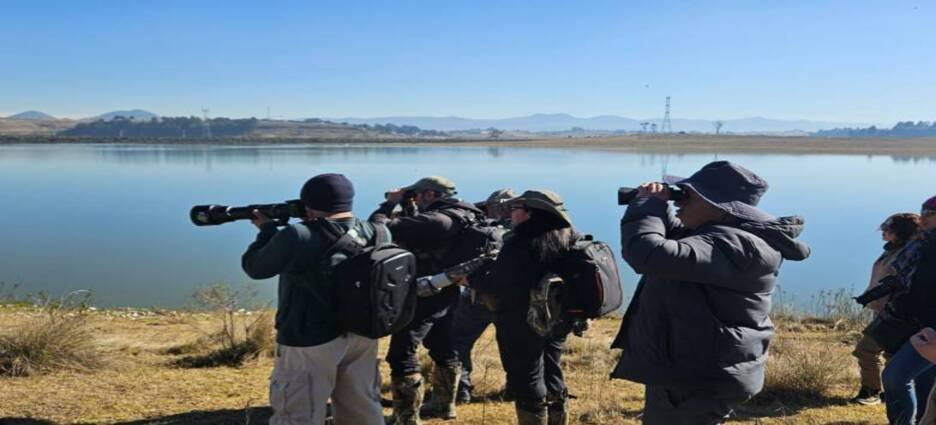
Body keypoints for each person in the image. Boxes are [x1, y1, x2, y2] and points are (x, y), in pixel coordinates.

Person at [611, 161, 810, 425]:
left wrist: (648, 204)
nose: (680, 198)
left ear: (718, 205)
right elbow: (677, 242)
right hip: (695, 364)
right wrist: (660, 204)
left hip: (700, 372)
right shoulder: (721, 234)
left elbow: (652, 254)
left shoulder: (737, 244)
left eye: (688, 194)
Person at [241, 173, 384, 425]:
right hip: (362, 333)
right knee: (362, 409)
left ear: (307, 203)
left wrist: (266, 232)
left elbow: (255, 267)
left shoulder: (298, 235)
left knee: (297, 413)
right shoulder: (377, 231)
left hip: (309, 338)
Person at [371, 176, 485, 424]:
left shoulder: (435, 220)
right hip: (447, 290)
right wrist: (410, 204)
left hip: (423, 295)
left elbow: (378, 229)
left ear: (431, 195)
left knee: (402, 354)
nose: (415, 199)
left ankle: (406, 416)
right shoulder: (466, 214)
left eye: (418, 194)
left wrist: (388, 205)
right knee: (443, 346)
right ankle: (445, 406)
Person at [471, 190, 577, 425]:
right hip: (558, 318)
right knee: (552, 368)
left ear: (531, 213)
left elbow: (497, 284)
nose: (511, 213)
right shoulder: (568, 236)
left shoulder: (520, 243)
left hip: (522, 321)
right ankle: (558, 419)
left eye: (516, 208)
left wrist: (471, 279)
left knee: (527, 376)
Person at [452, 188, 517, 403]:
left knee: (457, 341)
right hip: (512, 303)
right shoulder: (527, 232)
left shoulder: (482, 232)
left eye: (489, 208)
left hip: (477, 298)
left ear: (500, 208)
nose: (487, 211)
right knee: (514, 346)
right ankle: (515, 390)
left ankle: (460, 390)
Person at [851, 213, 921, 405]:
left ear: (901, 232)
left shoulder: (908, 255)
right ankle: (891, 394)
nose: (883, 231)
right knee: (892, 354)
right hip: (884, 311)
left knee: (865, 350)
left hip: (895, 314)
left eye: (888, 228)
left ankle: (871, 392)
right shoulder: (893, 250)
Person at [881, 195, 936, 425]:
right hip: (917, 323)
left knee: (894, 376)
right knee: (926, 384)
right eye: (922, 211)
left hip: (931, 329)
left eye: (930, 213)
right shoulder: (921, 244)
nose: (922, 217)